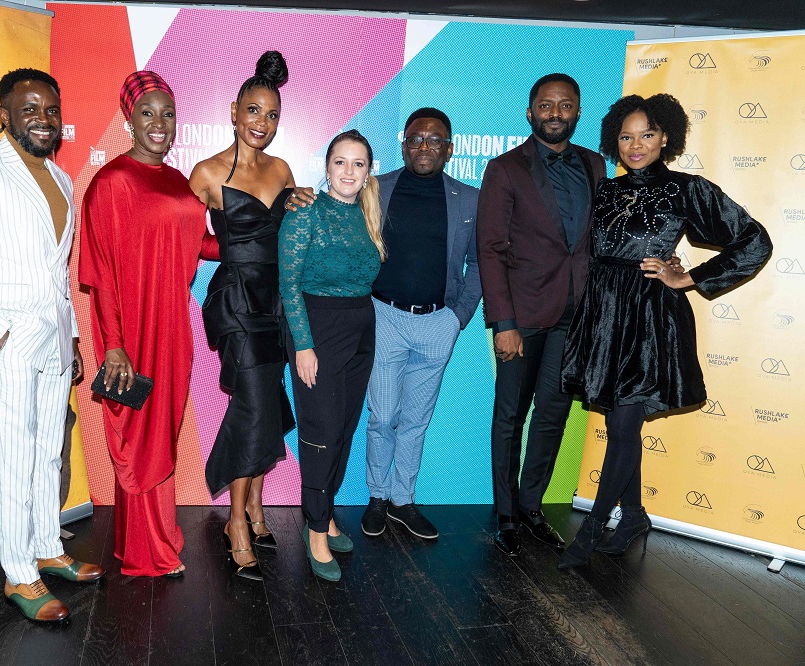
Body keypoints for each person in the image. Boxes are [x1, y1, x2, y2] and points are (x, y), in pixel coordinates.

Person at [557, 93, 772, 569]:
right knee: (618, 423)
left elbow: (754, 240)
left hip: (649, 317)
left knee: (626, 424)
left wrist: (688, 276)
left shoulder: (685, 188)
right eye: (627, 136)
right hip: (604, 312)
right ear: (615, 139)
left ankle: (592, 530)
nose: (636, 145)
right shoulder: (605, 189)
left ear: (666, 138)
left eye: (647, 135)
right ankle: (632, 515)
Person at [0, 68, 104, 622]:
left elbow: (59, 274)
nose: (43, 119)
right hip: (6, 338)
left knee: (50, 445)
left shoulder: (61, 180)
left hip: (53, 335)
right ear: (3, 113)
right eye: (29, 109)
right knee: (15, 450)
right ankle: (19, 575)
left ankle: (46, 546)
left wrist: (71, 337)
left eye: (51, 110)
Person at [296, 108, 481, 541]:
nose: (424, 147)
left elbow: (480, 263)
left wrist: (458, 317)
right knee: (382, 417)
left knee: (417, 420)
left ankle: (403, 501)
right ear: (403, 144)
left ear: (450, 150)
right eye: (417, 138)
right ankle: (377, 497)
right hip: (384, 319)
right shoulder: (378, 189)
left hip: (439, 322)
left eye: (435, 140)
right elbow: (334, 208)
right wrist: (297, 195)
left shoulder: (469, 199)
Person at [79, 71, 217, 578]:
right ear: (129, 119)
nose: (160, 124)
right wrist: (113, 347)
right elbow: (101, 275)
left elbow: (198, 244)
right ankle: (146, 551)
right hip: (132, 332)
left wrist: (255, 234)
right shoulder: (111, 182)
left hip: (172, 327)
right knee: (140, 436)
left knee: (162, 432)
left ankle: (152, 533)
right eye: (148, 114)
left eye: (168, 114)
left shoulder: (178, 179)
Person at [476, 74, 610, 557]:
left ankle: (532, 508)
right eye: (546, 105)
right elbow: (490, 250)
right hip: (524, 317)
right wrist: (503, 323)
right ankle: (506, 515)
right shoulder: (506, 169)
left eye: (565, 105)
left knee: (552, 415)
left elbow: (599, 240)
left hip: (575, 318)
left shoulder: (595, 165)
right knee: (510, 417)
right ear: (530, 113)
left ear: (578, 112)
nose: (555, 113)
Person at [189, 51, 298, 581]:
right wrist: (227, 251)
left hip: (276, 303)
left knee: (267, 406)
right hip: (235, 302)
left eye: (272, 115)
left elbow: (289, 238)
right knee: (255, 409)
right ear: (234, 111)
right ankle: (235, 522)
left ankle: (255, 506)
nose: (262, 123)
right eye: (253, 111)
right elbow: (184, 239)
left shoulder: (282, 170)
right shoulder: (207, 172)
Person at [279, 130, 385, 581]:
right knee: (320, 432)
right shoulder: (305, 213)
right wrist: (303, 345)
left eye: (358, 164)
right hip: (317, 329)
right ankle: (314, 530)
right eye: (340, 162)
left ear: (368, 172)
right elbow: (289, 285)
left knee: (342, 428)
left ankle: (325, 515)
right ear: (326, 168)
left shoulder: (368, 213)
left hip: (361, 327)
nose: (348, 171)